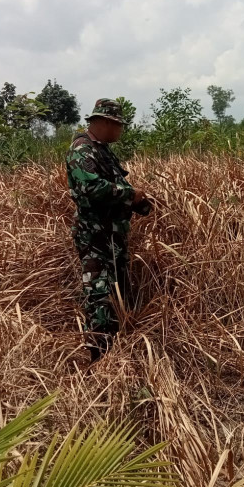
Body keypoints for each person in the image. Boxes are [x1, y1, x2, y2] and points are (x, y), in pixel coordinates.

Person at [65, 98, 152, 363]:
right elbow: (91, 188)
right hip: (95, 237)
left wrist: (139, 202)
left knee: (118, 291)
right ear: (104, 122)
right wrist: (130, 194)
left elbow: (112, 188)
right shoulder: (82, 150)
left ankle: (116, 351)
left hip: (112, 236)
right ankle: (98, 357)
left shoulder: (101, 151)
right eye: (118, 125)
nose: (121, 130)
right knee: (99, 294)